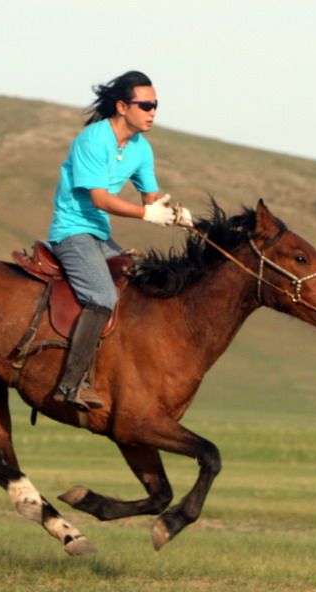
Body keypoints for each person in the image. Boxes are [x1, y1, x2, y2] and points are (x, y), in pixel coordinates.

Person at [47, 70, 192, 411]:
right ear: (123, 106)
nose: (153, 112)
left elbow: (152, 199)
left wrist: (178, 216)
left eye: (156, 105)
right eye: (146, 105)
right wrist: (146, 216)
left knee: (137, 288)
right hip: (72, 231)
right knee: (101, 295)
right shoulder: (94, 140)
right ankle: (69, 385)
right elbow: (99, 199)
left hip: (100, 233)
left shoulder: (142, 149)